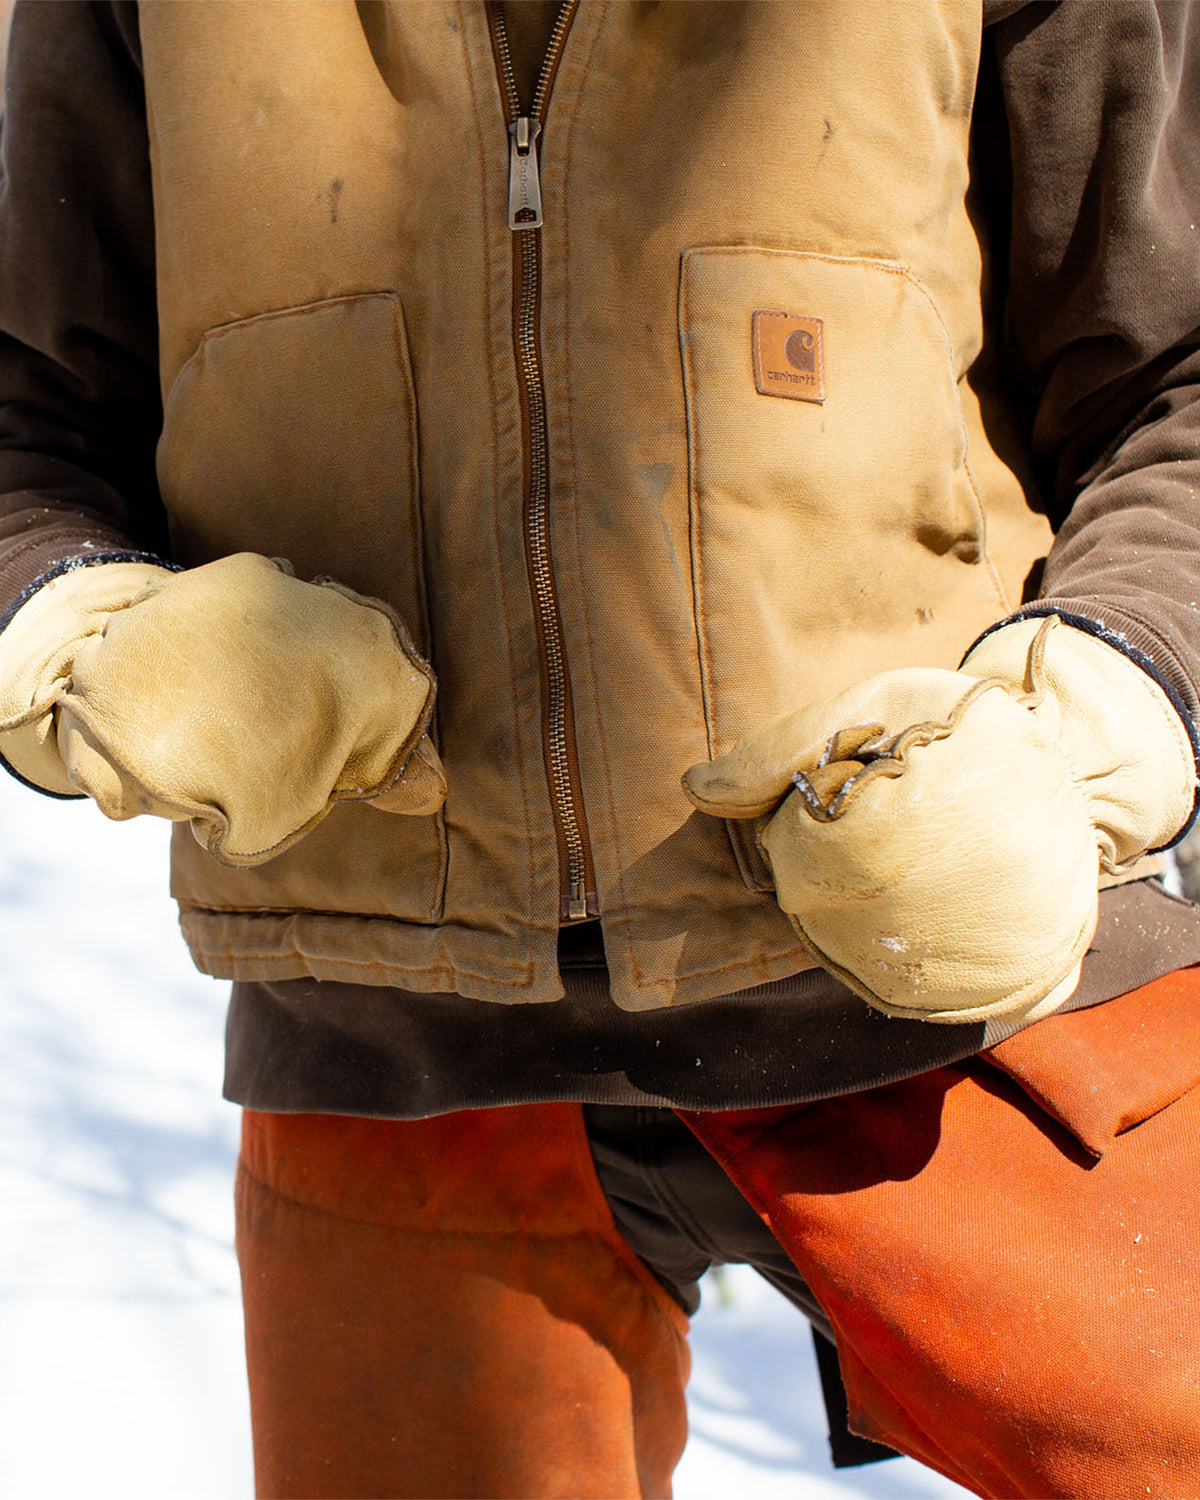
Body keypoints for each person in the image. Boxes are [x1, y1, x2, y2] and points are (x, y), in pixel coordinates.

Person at [2, 1, 1199, 1494]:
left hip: (967, 961)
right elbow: (31, 415)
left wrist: (1082, 724)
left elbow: (1178, 381)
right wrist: (81, 632)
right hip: (393, 1040)